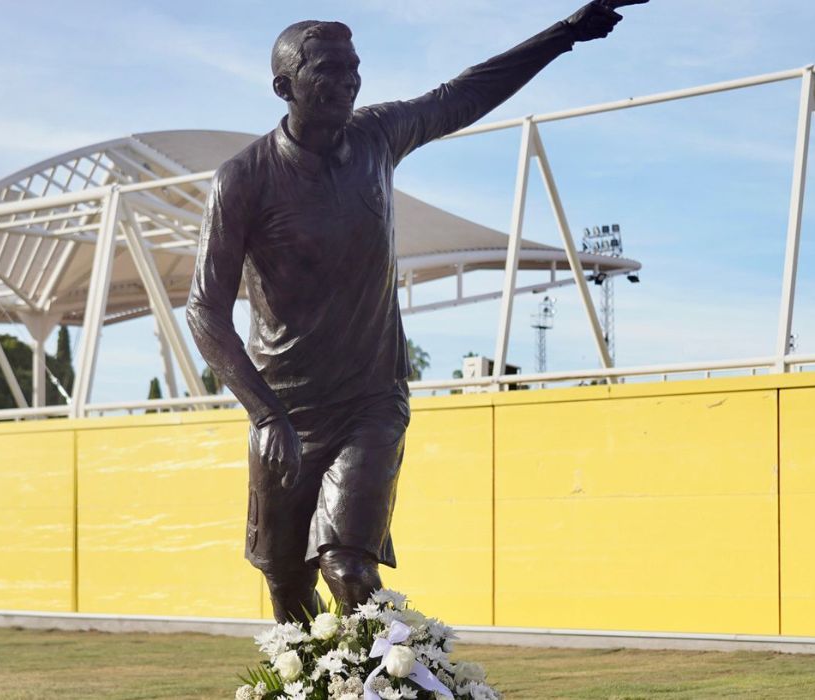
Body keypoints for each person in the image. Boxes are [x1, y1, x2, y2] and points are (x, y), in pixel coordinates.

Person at [187, 1, 649, 623]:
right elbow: (205, 312)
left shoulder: (378, 135)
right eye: (327, 70)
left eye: (353, 67)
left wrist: (565, 34)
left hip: (369, 400)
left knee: (348, 569)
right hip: (287, 411)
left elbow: (462, 95)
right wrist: (265, 415)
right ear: (284, 87)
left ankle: (405, 679)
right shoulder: (244, 179)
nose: (347, 80)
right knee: (286, 586)